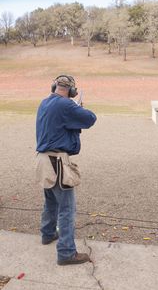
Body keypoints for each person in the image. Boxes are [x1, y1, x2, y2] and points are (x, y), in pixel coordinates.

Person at [36, 75, 97, 266]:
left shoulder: (44, 102)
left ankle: (47, 234)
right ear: (71, 91)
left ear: (54, 86)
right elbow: (90, 119)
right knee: (67, 208)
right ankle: (66, 252)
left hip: (43, 160)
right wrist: (77, 106)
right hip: (56, 162)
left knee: (51, 201)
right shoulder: (65, 105)